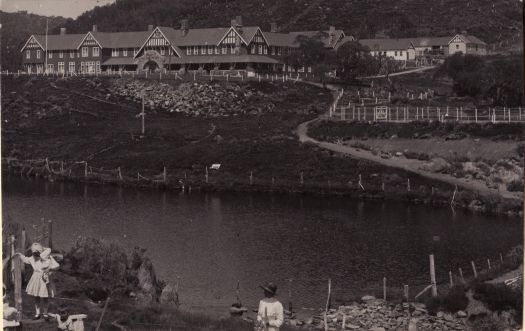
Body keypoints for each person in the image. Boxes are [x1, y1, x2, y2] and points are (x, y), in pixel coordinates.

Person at [14, 242, 54, 320]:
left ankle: (45, 313)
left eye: (37, 252)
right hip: (35, 278)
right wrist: (19, 254)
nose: (35, 254)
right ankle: (37, 313)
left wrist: (42, 248)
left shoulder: (44, 257)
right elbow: (25, 259)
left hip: (44, 278)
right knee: (36, 296)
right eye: (34, 252)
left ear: (40, 252)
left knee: (45, 296)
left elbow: (49, 250)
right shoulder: (32, 258)